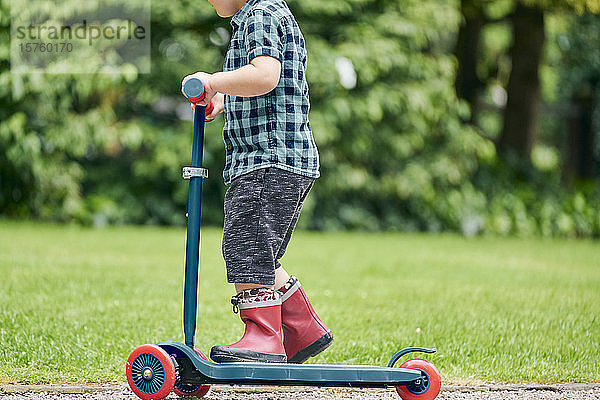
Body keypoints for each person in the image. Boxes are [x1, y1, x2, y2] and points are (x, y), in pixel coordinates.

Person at [181, 0, 332, 364]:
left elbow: (265, 76)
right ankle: (302, 329)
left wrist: (214, 81)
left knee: (246, 247)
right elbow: (269, 91)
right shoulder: (263, 15)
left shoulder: (261, 15)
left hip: (268, 159)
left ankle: (264, 337)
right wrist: (224, 101)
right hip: (278, 159)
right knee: (259, 251)